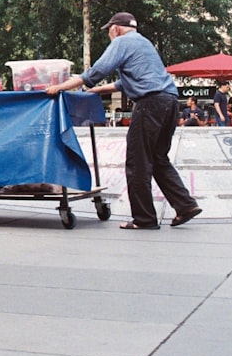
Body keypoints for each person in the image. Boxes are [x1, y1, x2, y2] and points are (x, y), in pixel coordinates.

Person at [45, 12, 202, 230]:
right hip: (170, 102)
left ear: (115, 28)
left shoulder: (121, 42)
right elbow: (124, 82)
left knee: (137, 162)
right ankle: (185, 205)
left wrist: (61, 86)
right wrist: (98, 90)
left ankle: (144, 219)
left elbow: (98, 70)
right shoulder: (143, 43)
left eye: (109, 30)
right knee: (158, 158)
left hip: (150, 103)